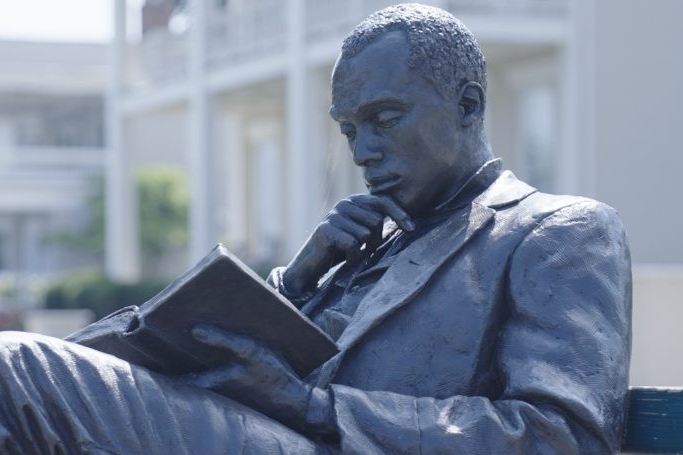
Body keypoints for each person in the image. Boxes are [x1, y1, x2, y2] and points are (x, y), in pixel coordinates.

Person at [0, 4, 631, 454]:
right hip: (241, 426)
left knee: (13, 365)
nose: (363, 151)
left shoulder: (558, 231)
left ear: (467, 105)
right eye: (350, 128)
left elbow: (560, 436)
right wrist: (297, 281)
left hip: (311, 439)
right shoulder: (358, 244)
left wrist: (311, 407)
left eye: (385, 118)